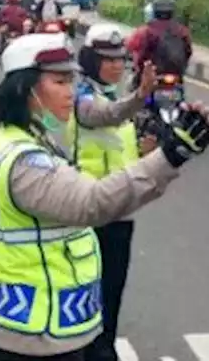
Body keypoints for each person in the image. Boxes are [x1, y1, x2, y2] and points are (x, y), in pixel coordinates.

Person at [0, 33, 209, 360]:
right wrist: (172, 155)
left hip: (40, 330)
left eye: (71, 80)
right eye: (59, 82)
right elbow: (93, 201)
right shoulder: (25, 162)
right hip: (32, 339)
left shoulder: (24, 137)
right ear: (25, 87)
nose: (69, 91)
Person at [68, 25, 159, 361]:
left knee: (111, 296)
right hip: (88, 213)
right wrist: (137, 98)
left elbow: (116, 148)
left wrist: (143, 150)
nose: (116, 66)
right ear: (91, 60)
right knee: (90, 297)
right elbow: (101, 117)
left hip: (118, 212)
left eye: (121, 59)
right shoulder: (81, 96)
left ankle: (104, 349)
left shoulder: (109, 95)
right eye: (108, 60)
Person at [136, 0, 193, 79]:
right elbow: (188, 51)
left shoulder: (149, 30)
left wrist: (139, 67)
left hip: (154, 72)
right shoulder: (182, 30)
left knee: (139, 85)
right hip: (176, 72)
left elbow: (143, 53)